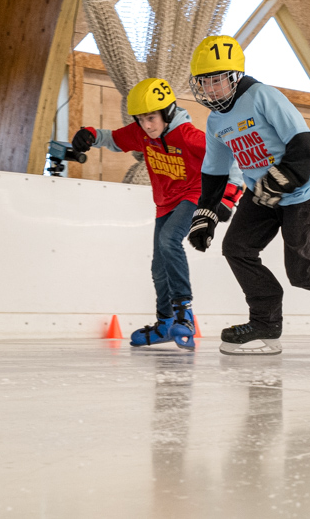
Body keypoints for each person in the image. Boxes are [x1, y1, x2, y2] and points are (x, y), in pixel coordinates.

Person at [185, 35, 310, 357]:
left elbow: (303, 146)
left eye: (216, 81)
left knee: (300, 271)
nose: (209, 90)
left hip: (300, 192)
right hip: (261, 193)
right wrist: (205, 215)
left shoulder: (263, 97)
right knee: (237, 248)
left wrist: (282, 178)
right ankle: (265, 324)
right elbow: (215, 172)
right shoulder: (217, 120)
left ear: (234, 77)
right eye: (203, 83)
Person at [71, 77, 243, 350]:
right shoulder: (141, 133)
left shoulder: (188, 135)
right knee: (157, 268)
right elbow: (113, 139)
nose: (146, 125)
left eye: (151, 117)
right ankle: (164, 323)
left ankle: (184, 314)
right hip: (165, 203)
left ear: (168, 112)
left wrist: (229, 195)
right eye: (141, 119)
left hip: (194, 194)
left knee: (169, 241)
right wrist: (90, 134)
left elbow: (230, 155)